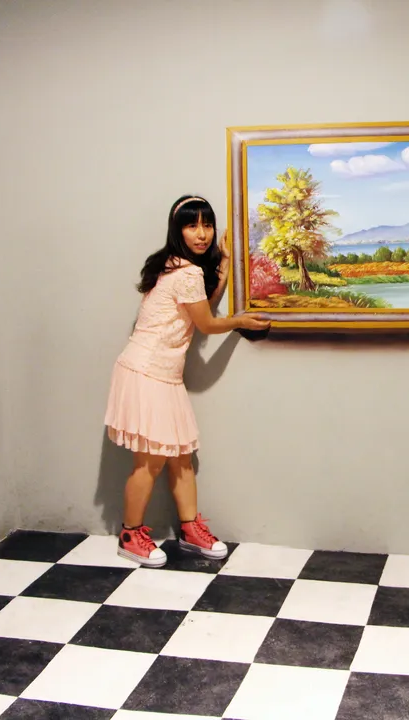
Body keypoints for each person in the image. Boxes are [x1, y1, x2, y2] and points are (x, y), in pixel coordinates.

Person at [104, 195, 270, 567]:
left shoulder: (173, 266)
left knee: (180, 457)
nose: (202, 234)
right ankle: (130, 536)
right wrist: (240, 322)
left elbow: (201, 308)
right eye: (192, 225)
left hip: (161, 373)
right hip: (147, 372)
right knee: (150, 462)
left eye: (207, 225)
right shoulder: (186, 271)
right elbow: (207, 323)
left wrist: (223, 263)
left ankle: (190, 528)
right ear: (177, 230)